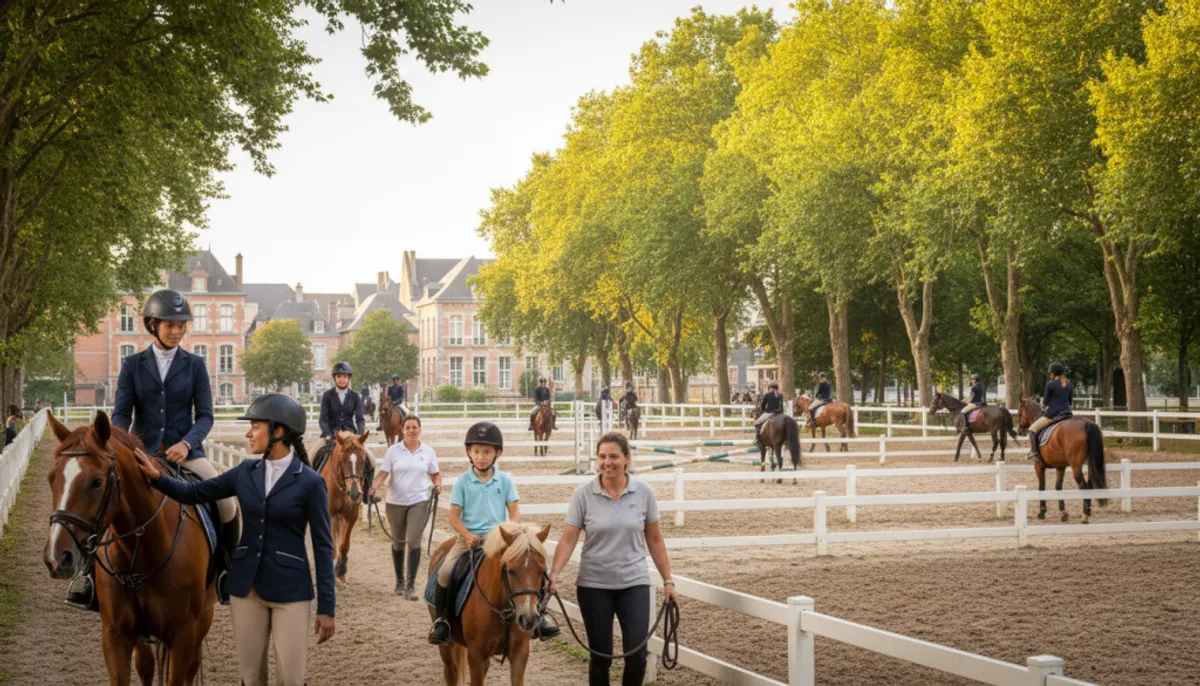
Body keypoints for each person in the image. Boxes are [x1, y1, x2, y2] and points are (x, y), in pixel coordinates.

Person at [133, 393, 335, 686]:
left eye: (255, 426)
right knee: (251, 679)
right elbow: (194, 494)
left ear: (278, 432)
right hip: (245, 589)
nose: (248, 433)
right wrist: (157, 478)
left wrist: (327, 608)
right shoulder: (244, 472)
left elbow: (323, 547)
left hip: (291, 591)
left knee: (290, 679)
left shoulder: (311, 483)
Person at [108, 289, 237, 606]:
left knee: (229, 504)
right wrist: (119, 445)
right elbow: (122, 414)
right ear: (153, 325)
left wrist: (187, 443)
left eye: (182, 325)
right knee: (104, 497)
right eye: (170, 325)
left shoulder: (195, 365)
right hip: (143, 454)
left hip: (187, 456)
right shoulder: (132, 365)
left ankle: (226, 574)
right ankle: (89, 578)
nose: (177, 331)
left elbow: (205, 416)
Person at [547, 432, 677, 686]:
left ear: (627, 458)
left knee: (637, 654)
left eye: (614, 456)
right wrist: (554, 573)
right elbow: (568, 538)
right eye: (602, 457)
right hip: (594, 585)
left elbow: (655, 540)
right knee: (600, 656)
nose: (608, 462)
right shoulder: (583, 494)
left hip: (634, 582)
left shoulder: (644, 493)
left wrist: (668, 580)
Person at [428, 421, 559, 645]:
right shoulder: (462, 482)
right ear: (469, 452)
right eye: (476, 451)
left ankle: (539, 618)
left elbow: (514, 512)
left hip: (499, 540)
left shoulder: (505, 480)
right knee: (445, 572)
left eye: (487, 451)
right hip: (469, 540)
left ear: (497, 453)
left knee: (532, 572)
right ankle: (443, 622)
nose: (481, 456)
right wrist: (467, 535)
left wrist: (511, 531)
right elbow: (454, 517)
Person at [368, 414, 441, 599]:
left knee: (413, 541)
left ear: (420, 429)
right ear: (402, 430)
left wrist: (437, 485)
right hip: (395, 502)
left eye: (414, 427)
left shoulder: (428, 452)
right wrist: (374, 486)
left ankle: (410, 585)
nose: (411, 430)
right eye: (408, 427)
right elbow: (383, 473)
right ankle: (399, 581)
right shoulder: (393, 451)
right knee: (398, 542)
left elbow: (435, 474)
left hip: (419, 500)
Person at [316, 361, 366, 472]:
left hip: (351, 435)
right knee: (311, 455)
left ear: (349, 378)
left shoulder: (355, 396)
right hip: (331, 435)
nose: (342, 379)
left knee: (370, 459)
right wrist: (327, 434)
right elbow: (323, 419)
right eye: (339, 376)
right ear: (335, 378)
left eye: (344, 376)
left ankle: (367, 486)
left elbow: (360, 419)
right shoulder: (327, 395)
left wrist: (360, 436)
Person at [1027, 362, 1074, 462]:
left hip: (1053, 414)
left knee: (1032, 430)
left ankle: (1035, 453)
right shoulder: (1069, 384)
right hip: (1068, 414)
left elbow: (1044, 404)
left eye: (1050, 373)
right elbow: (1069, 402)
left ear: (1052, 374)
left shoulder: (1050, 385)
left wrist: (1042, 406)